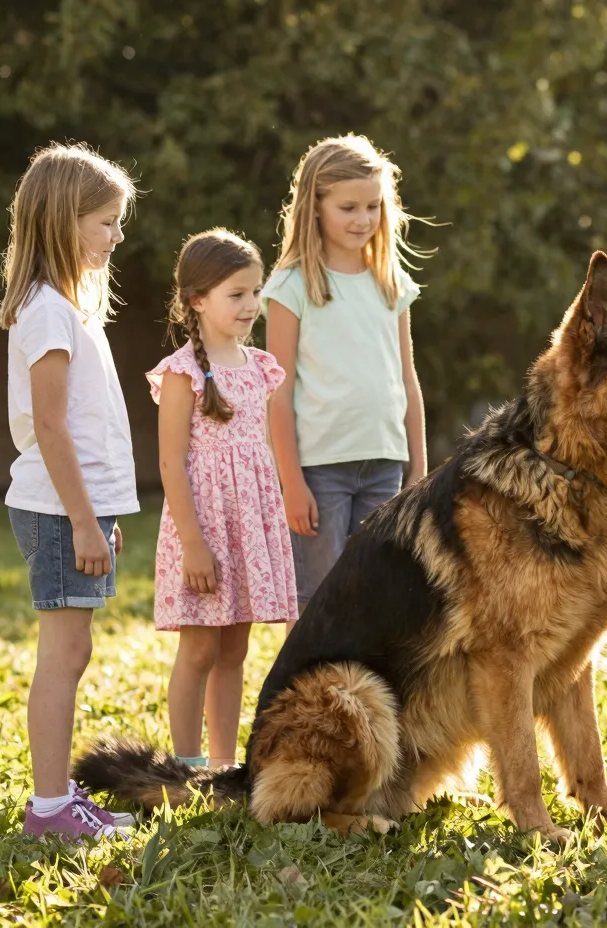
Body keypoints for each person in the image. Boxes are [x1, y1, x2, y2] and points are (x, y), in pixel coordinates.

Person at [0, 142, 139, 840]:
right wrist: (83, 521)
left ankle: (58, 800)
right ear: (62, 219)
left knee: (73, 652)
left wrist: (99, 515)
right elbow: (50, 425)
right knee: (64, 655)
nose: (116, 237)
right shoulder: (49, 312)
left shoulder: (67, 307)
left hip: (75, 509)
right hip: (58, 509)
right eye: (105, 223)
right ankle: (50, 809)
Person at [262, 135, 428, 628]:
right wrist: (291, 481)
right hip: (319, 471)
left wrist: (417, 468)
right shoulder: (290, 286)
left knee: (376, 596)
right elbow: (278, 392)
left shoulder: (390, 281)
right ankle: (306, 703)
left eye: (373, 206)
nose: (362, 219)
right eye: (348, 207)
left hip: (385, 465)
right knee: (316, 602)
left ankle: (362, 703)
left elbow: (408, 380)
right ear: (315, 205)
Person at [148, 229, 298, 769]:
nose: (251, 305)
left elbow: (261, 453)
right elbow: (170, 464)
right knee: (201, 650)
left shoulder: (259, 366)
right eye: (236, 294)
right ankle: (184, 766)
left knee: (234, 650)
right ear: (197, 299)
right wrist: (193, 544)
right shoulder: (182, 372)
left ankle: (221, 764)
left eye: (254, 292)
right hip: (204, 529)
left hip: (248, 526)